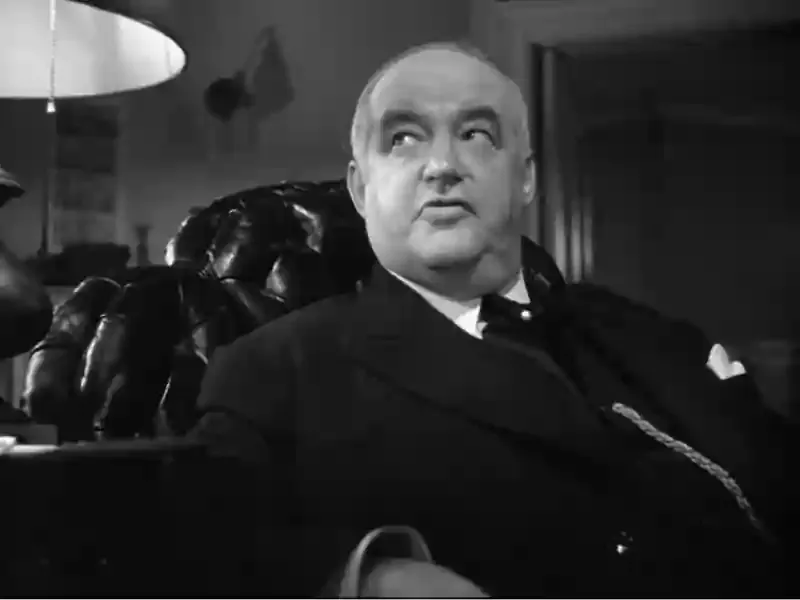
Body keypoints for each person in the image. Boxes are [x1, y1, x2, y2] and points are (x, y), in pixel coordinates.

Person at [190, 42, 797, 597]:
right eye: (403, 138)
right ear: (359, 189)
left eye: (476, 134)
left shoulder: (650, 335)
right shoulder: (269, 372)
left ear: (525, 177)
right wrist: (361, 577)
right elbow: (201, 553)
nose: (441, 165)